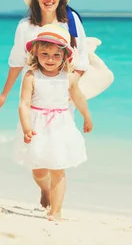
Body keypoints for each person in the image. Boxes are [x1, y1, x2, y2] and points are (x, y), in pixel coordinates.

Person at [14, 24, 93, 221]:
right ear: (36, 53)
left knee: (58, 168)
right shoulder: (31, 76)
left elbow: (79, 98)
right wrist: (26, 127)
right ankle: (45, 190)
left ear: (65, 56)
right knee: (38, 169)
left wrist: (87, 117)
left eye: (56, 55)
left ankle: (56, 211)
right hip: (36, 126)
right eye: (45, 54)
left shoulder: (68, 78)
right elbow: (23, 104)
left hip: (60, 126)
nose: (50, 59)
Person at [0, 0, 90, 114]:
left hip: (62, 100)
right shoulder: (25, 26)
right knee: (30, 134)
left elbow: (81, 58)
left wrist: (69, 86)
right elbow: (17, 63)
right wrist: (3, 95)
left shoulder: (71, 22)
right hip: (32, 99)